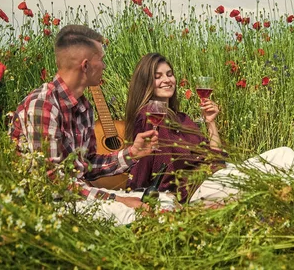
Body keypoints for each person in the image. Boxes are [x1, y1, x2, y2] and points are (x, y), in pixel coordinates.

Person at [9, 25, 172, 225]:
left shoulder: (84, 107)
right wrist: (118, 199)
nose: (104, 66)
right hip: (49, 202)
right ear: (85, 66)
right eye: (101, 59)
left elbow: (88, 166)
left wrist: (132, 153)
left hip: (78, 194)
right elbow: (51, 183)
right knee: (141, 214)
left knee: (166, 201)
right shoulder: (43, 106)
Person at [124, 53, 294, 204]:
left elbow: (215, 157)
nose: (167, 80)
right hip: (195, 189)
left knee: (284, 155)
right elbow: (156, 168)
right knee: (283, 158)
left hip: (214, 177)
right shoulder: (150, 116)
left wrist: (210, 122)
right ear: (147, 83)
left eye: (169, 74)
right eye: (158, 76)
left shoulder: (182, 118)